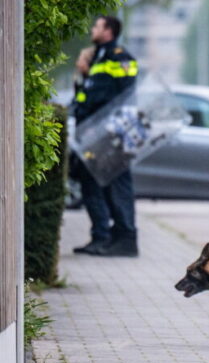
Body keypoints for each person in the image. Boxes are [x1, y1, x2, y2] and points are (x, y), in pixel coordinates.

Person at [72, 15, 139, 257]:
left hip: (112, 135)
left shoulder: (119, 56)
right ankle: (107, 237)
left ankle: (125, 238)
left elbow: (124, 94)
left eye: (97, 26)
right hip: (93, 133)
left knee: (118, 185)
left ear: (108, 30)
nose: (92, 29)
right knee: (95, 184)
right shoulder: (98, 56)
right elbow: (91, 94)